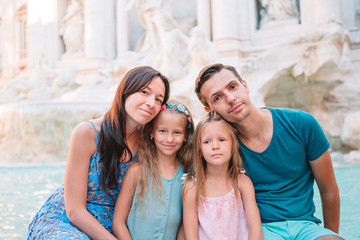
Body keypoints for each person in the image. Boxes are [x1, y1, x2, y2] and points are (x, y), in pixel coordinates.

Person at [194, 63, 343, 240]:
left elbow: (328, 190)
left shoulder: (302, 124)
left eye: (233, 87)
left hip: (306, 227)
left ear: (245, 86)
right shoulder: (220, 149)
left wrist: (330, 234)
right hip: (260, 230)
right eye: (217, 98)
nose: (231, 98)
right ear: (210, 110)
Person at [27, 66, 170, 240]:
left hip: (114, 225)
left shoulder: (150, 142)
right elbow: (74, 211)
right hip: (66, 222)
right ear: (125, 91)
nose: (151, 102)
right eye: (144, 92)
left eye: (158, 99)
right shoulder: (87, 132)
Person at [112, 100, 194, 240]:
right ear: (152, 132)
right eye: (162, 131)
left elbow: (184, 226)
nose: (169, 139)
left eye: (177, 133)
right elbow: (118, 223)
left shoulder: (187, 176)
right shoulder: (137, 171)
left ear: (186, 136)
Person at [182, 111, 262, 240]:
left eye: (222, 140)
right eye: (207, 142)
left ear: (233, 144)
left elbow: (255, 228)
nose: (215, 146)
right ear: (199, 149)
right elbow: (191, 236)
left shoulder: (242, 182)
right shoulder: (192, 187)